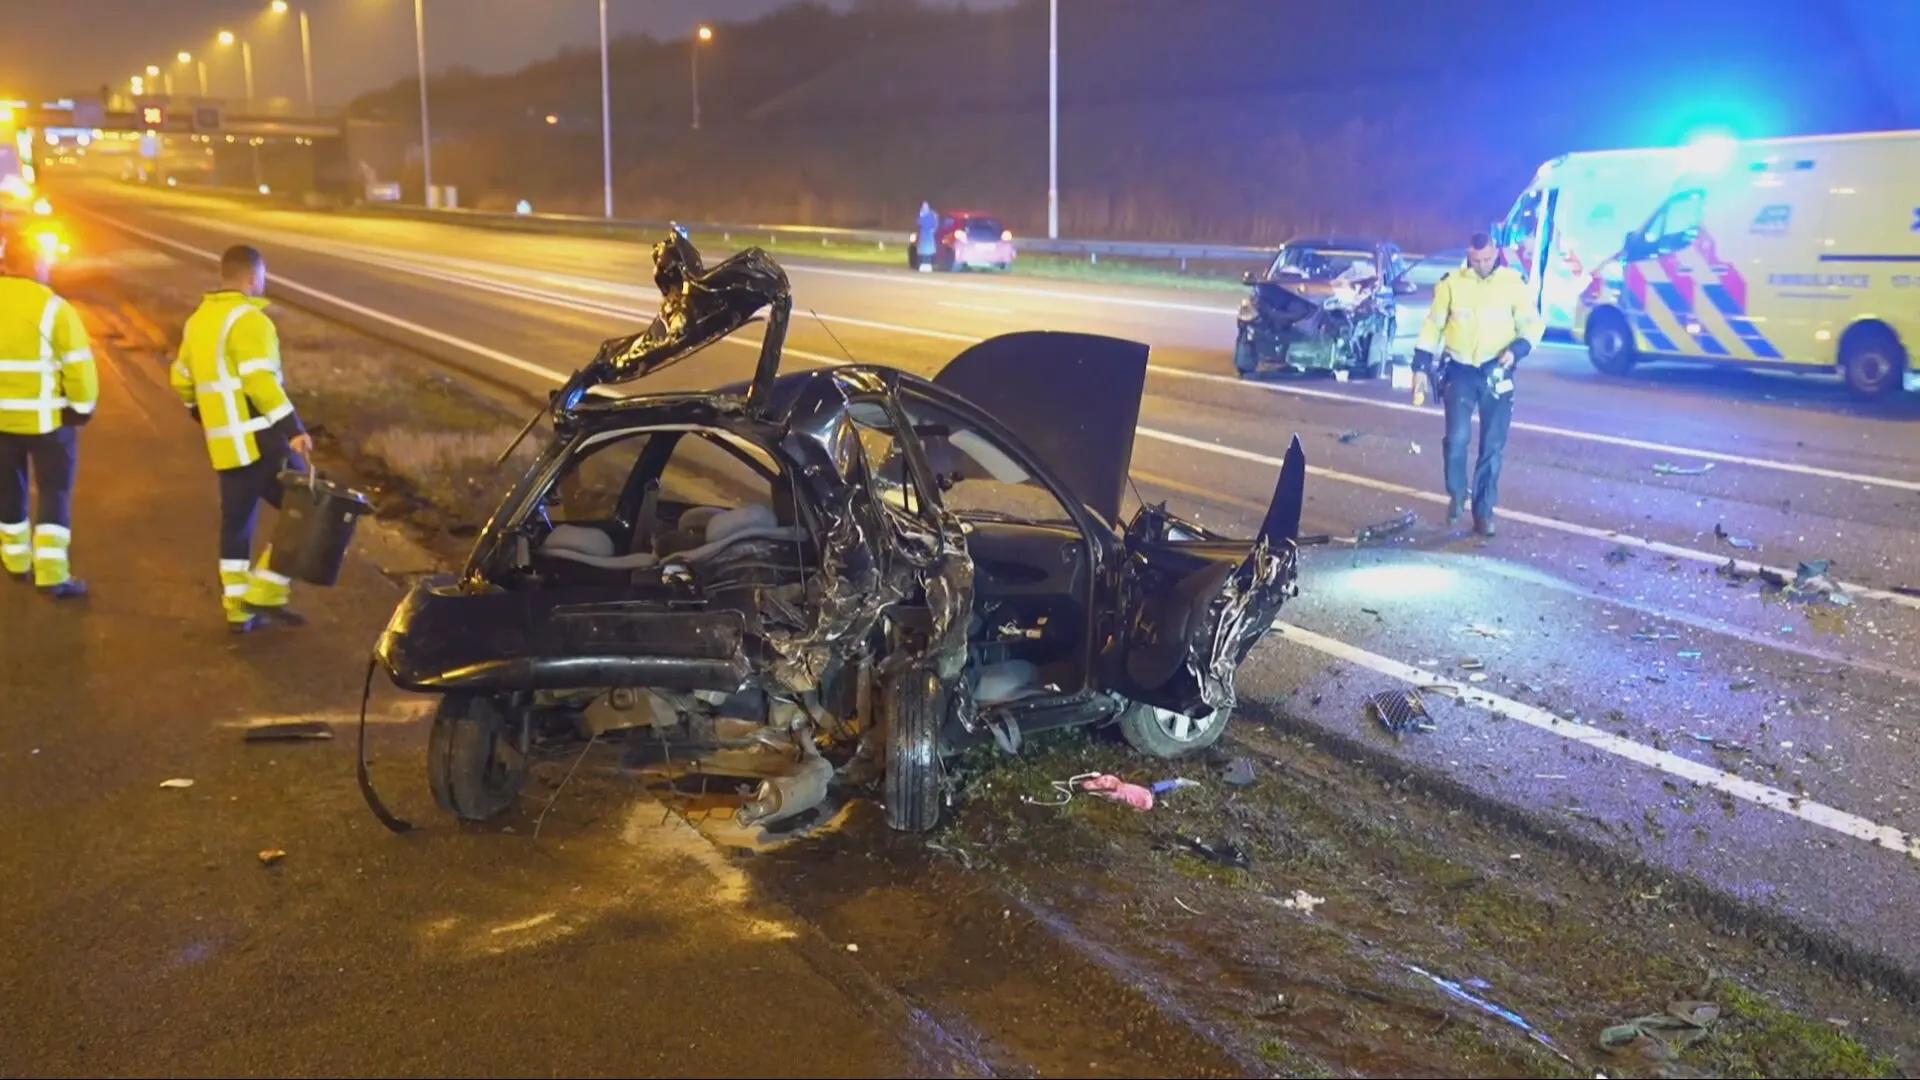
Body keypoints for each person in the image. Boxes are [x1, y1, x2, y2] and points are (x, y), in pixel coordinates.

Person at [169, 244, 314, 633]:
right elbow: (260, 382)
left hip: (225, 444)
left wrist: (198, 410)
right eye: (262, 275)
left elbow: (181, 377)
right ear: (253, 277)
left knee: (236, 525)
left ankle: (237, 609)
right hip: (262, 442)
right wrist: (294, 430)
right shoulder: (250, 320)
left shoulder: (199, 320)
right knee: (309, 509)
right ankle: (264, 593)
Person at [1410, 231, 1543, 537]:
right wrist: (1419, 367)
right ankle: (1457, 493)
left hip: (1497, 370)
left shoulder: (1512, 284)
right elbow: (1433, 325)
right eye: (1475, 260)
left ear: (1496, 252)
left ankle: (1484, 513)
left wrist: (1516, 351)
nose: (1481, 265)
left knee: (1492, 447)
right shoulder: (1451, 284)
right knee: (1456, 440)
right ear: (1468, 256)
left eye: (1486, 259)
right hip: (1460, 372)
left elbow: (1532, 325)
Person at [0, 229, 97, 598]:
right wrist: (82, 409)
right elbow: (78, 368)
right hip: (49, 423)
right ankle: (53, 575)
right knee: (54, 491)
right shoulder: (54, 307)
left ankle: (15, 562)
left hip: (2, 423)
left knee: (8, 489)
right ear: (37, 263)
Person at [916, 201, 938, 272]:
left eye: (926, 206)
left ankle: (927, 265)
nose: (924, 208)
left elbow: (934, 224)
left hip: (928, 236)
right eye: (923, 206)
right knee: (923, 251)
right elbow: (919, 223)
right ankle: (923, 265)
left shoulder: (931, 215)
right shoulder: (922, 215)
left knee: (927, 251)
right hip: (924, 235)